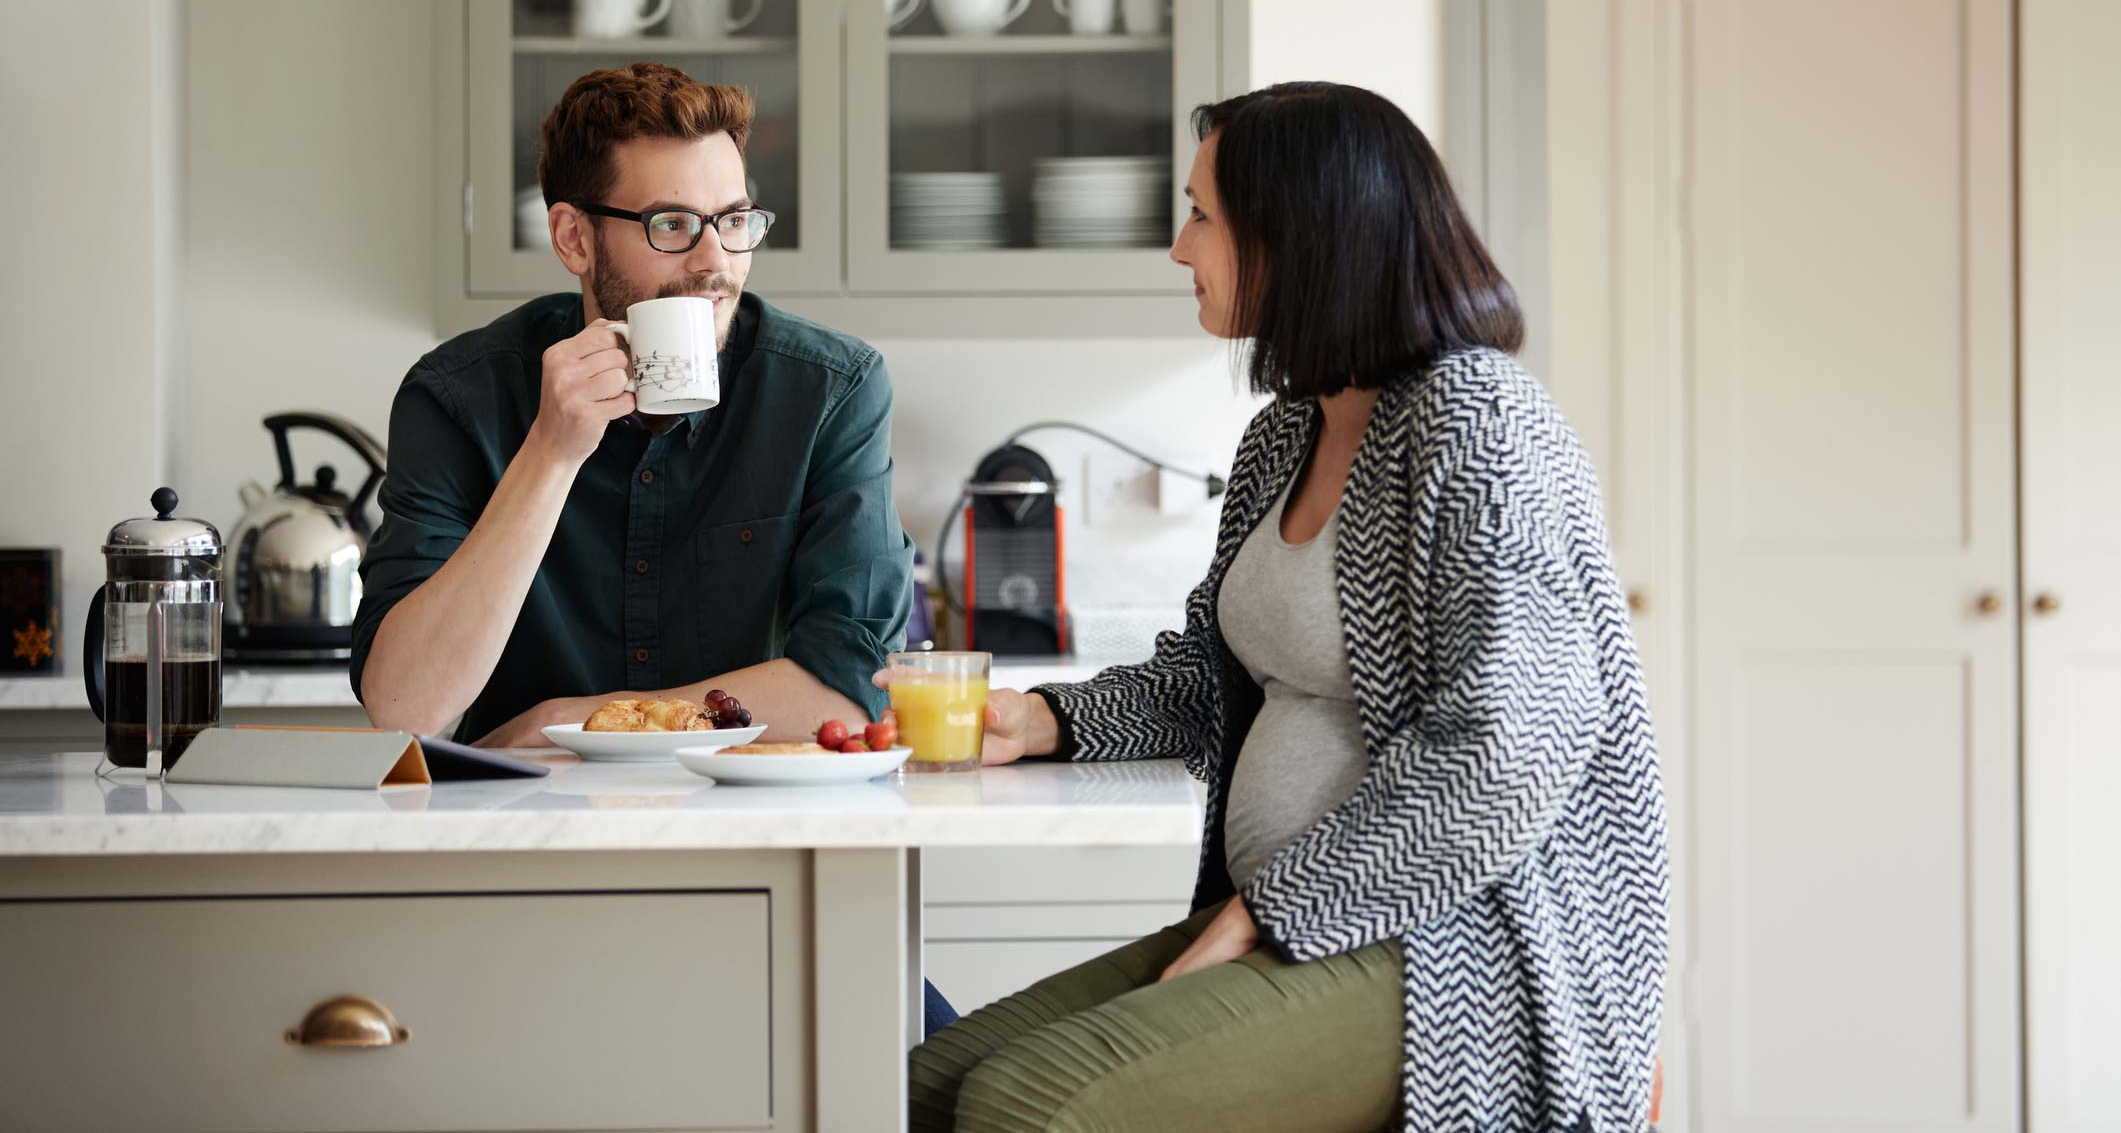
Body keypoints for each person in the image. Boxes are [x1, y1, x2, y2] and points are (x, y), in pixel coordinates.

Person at [903, 82, 1669, 1131]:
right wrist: (1048, 718)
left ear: (1303, 236)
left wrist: (1278, 908)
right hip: (1292, 916)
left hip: (1457, 948)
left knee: (1022, 1105)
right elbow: (1210, 676)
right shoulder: (1284, 437)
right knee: (909, 1088)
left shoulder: (1481, 424)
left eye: (1204, 218)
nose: (1179, 248)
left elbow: (1510, 747)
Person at [351, 62, 914, 752]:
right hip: (516, 828)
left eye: (734, 220)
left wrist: (589, 721)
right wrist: (551, 454)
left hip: (753, 820)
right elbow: (405, 706)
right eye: (671, 223)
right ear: (574, 239)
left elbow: (853, 687)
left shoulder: (829, 390)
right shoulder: (459, 396)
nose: (716, 261)